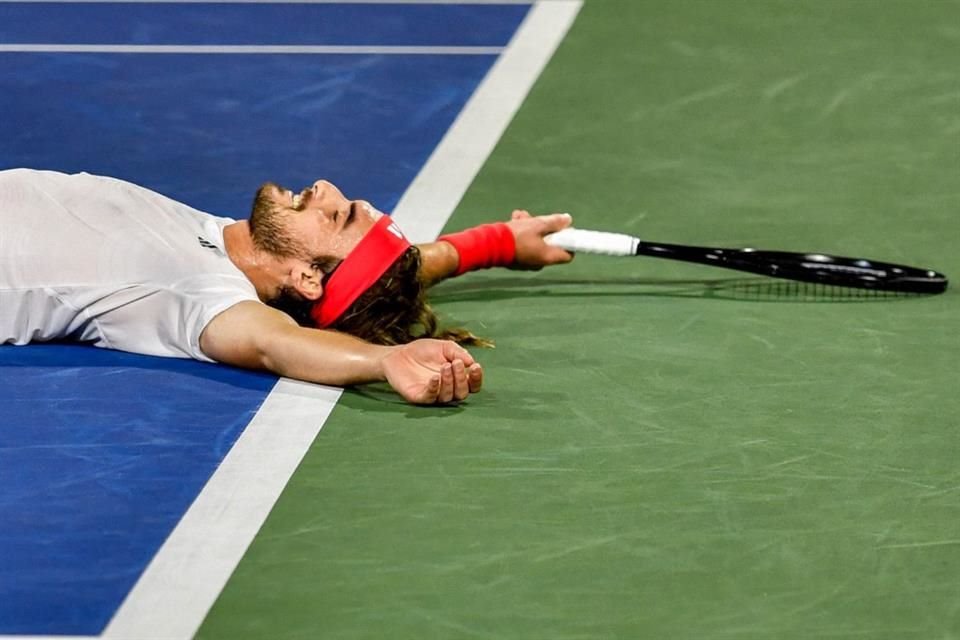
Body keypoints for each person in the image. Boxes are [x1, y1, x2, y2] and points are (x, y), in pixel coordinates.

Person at [0, 169, 574, 405]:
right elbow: (375, 274)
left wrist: (386, 360)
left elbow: (274, 343)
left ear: (305, 277)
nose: (323, 187)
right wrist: (488, 244)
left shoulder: (201, 291)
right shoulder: (221, 247)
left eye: (336, 216)